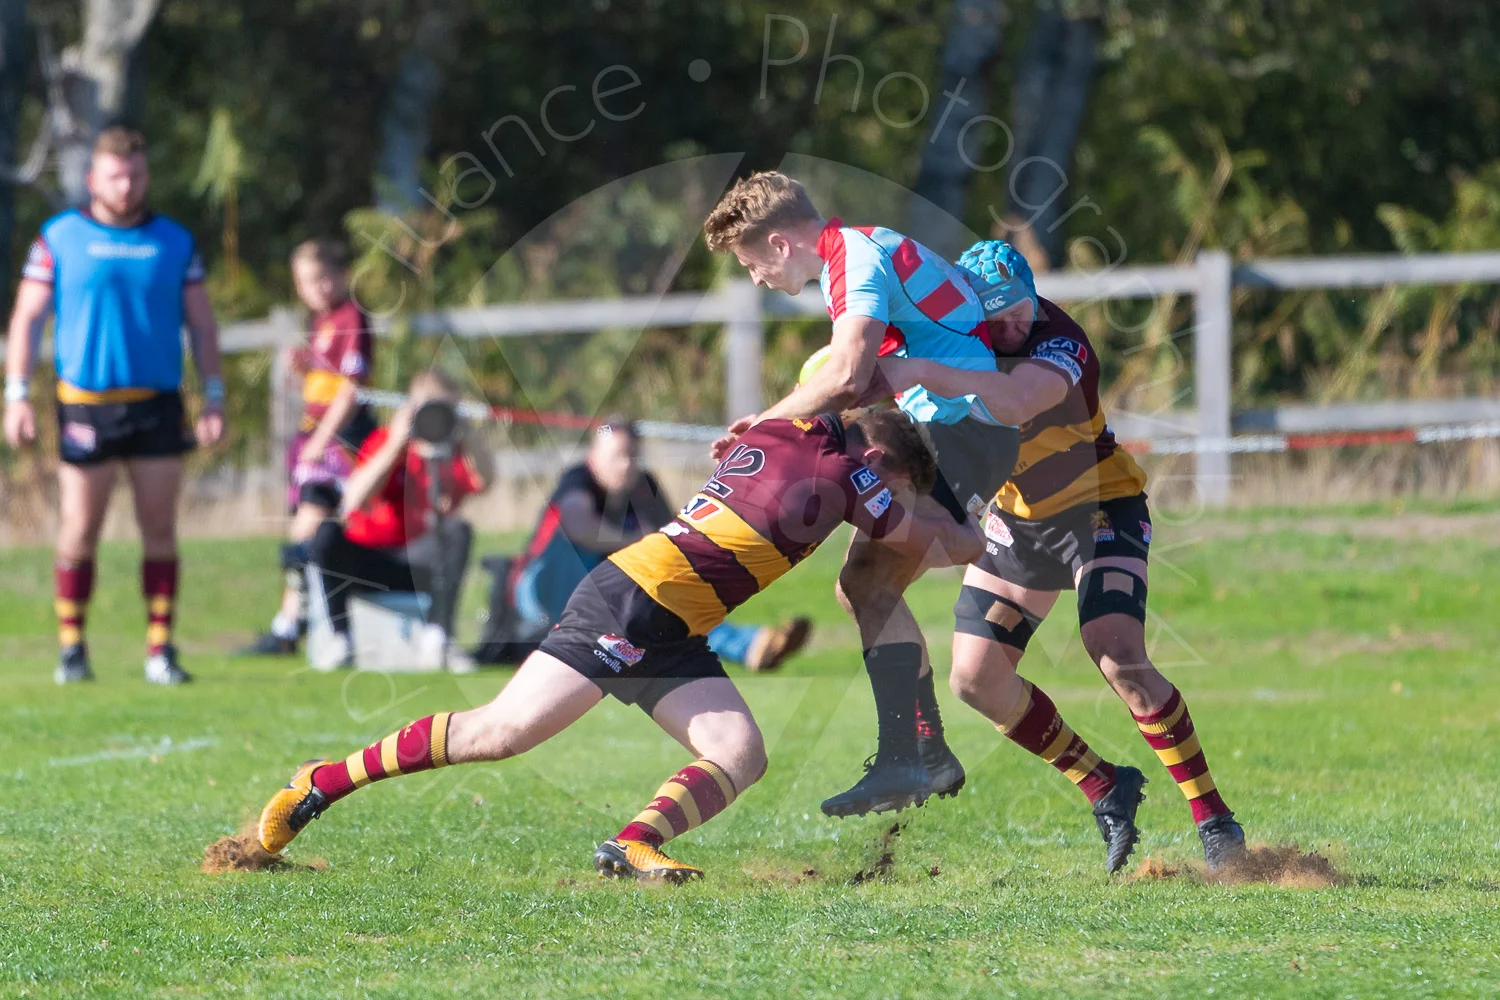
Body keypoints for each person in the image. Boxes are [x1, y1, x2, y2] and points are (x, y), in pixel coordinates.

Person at [257, 409, 974, 882]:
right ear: (876, 456)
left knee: (740, 751)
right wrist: (992, 536)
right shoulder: (848, 471)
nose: (890, 501)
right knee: (498, 732)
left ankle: (633, 844)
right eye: (898, 486)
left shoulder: (783, 428)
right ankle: (321, 783)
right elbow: (925, 543)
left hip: (674, 620)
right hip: (633, 600)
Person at [877, 239, 1247, 872]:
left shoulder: (1059, 341)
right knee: (975, 679)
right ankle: (1106, 786)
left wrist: (921, 372)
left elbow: (1016, 400)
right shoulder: (962, 340)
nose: (1011, 325)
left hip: (1100, 506)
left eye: (1019, 309)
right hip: (1019, 522)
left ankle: (1215, 821)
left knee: (1117, 653)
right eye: (996, 317)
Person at [703, 171, 1017, 817]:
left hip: (962, 434)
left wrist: (765, 427)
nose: (756, 278)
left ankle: (915, 758)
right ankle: (922, 757)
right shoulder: (855, 255)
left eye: (751, 262)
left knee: (868, 584)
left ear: (782, 243)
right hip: (953, 432)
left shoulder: (857, 258)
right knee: (865, 586)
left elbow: (848, 375)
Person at [3, 127, 226, 686]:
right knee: (79, 527)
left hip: (155, 403)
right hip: (85, 405)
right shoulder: (59, 237)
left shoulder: (174, 241)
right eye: (114, 175)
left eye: (135, 175)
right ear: (92, 179)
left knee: (159, 526)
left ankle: (160, 649)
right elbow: (27, 318)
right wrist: (16, 395)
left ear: (147, 177)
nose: (126, 186)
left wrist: (215, 393)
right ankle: (73, 647)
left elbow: (201, 322)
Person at [495, 417, 813, 672]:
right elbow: (579, 525)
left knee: (667, 596)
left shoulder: (643, 486)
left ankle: (752, 645)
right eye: (617, 457)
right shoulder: (578, 479)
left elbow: (674, 539)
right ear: (593, 458)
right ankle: (745, 645)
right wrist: (635, 540)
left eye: (632, 456)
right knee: (585, 554)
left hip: (606, 592)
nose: (626, 465)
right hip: (538, 588)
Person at [236, 240, 376, 656]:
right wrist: (306, 367)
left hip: (340, 442)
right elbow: (327, 381)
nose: (315, 289)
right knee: (306, 526)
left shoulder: (352, 318)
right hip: (317, 439)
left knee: (309, 528)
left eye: (321, 278)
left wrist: (320, 438)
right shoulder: (322, 322)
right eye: (305, 282)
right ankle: (293, 622)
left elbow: (351, 390)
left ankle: (293, 626)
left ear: (341, 274)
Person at [304, 370, 493, 672]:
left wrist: (467, 433)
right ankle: (342, 640)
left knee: (459, 530)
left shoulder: (454, 454)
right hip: (370, 559)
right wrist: (397, 443)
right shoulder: (384, 441)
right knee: (327, 532)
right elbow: (353, 499)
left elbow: (485, 481)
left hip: (420, 561)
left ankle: (438, 636)